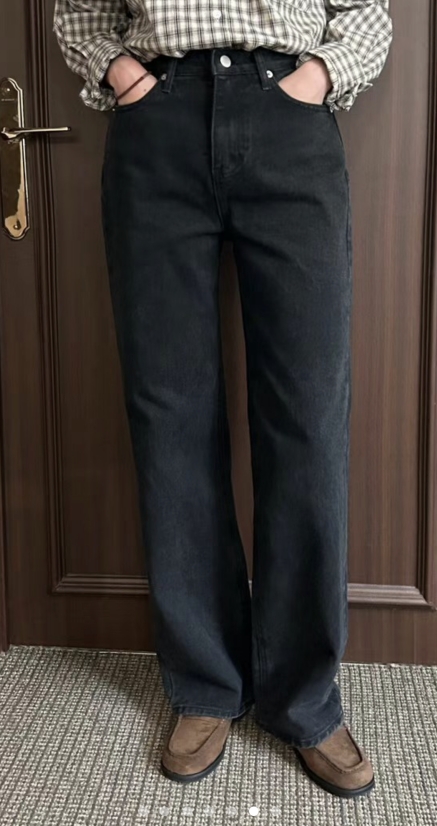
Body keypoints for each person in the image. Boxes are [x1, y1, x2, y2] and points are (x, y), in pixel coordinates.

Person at [53, 0, 393, 797]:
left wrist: (317, 78)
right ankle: (204, 684)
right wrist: (126, 77)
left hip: (290, 120)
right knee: (169, 414)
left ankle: (304, 698)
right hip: (157, 125)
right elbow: (76, 12)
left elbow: (368, 12)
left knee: (306, 418)